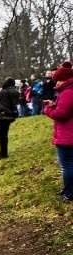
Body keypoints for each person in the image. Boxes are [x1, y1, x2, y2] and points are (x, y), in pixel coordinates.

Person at [43, 61, 73, 202]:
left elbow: (61, 114)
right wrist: (54, 104)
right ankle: (68, 189)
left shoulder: (68, 92)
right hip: (68, 134)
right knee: (68, 165)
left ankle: (70, 193)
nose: (56, 84)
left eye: (58, 80)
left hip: (67, 136)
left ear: (65, 79)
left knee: (66, 165)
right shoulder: (68, 91)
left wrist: (48, 109)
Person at [0, 77, 21, 160]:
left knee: (1, 135)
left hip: (2, 115)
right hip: (11, 115)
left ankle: (3, 153)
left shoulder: (4, 92)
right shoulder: (16, 92)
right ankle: (4, 152)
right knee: (5, 134)